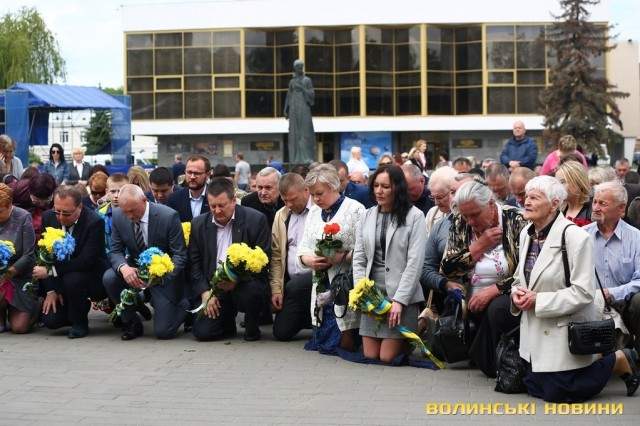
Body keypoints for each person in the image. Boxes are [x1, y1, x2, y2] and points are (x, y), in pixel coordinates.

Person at [511, 175, 639, 402]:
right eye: (526, 197)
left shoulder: (575, 237)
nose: (526, 202)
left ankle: (618, 360)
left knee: (560, 392)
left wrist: (538, 301)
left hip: (565, 325)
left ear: (554, 204)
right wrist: (517, 293)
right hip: (535, 329)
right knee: (533, 386)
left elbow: (583, 293)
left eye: (534, 197)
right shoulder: (526, 233)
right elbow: (519, 278)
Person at [441, 179, 526, 377]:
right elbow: (448, 269)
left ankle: (487, 361)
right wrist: (479, 245)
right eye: (466, 215)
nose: (470, 221)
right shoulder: (459, 221)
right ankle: (487, 356)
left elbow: (525, 272)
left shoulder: (516, 220)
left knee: (497, 308)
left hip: (507, 293)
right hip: (469, 297)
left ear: (490, 204)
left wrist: (495, 290)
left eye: (474, 215)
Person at [352, 165, 426, 362]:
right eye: (375, 185)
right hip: (372, 293)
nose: (379, 191)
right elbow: (359, 258)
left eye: (385, 186)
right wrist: (362, 291)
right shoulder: (366, 215)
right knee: (370, 355)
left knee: (386, 358)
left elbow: (415, 263)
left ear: (398, 188)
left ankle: (413, 328)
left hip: (401, 293)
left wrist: (399, 301)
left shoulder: (415, 216)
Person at [189, 178, 271, 341]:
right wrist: (205, 293)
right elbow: (194, 264)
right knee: (202, 333)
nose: (217, 211)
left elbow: (264, 261)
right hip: (215, 286)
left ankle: (252, 325)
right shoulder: (199, 224)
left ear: (234, 201)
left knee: (253, 291)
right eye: (213, 206)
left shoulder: (255, 220)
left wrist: (236, 281)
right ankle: (226, 322)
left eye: (222, 205)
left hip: (245, 284)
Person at [103, 184, 188, 340]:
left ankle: (183, 305)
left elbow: (180, 256)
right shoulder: (118, 215)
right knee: (110, 278)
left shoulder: (168, 216)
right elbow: (115, 251)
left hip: (163, 275)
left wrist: (160, 276)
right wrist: (124, 268)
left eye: (132, 210)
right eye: (125, 211)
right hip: (135, 268)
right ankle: (132, 322)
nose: (129, 216)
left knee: (164, 332)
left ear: (144, 200)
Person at [298, 164, 364, 351]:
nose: (315, 199)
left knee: (345, 338)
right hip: (320, 281)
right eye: (312, 195)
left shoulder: (355, 210)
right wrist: (308, 260)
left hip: (346, 282)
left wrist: (342, 256)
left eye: (319, 193)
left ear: (334, 187)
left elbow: (365, 250)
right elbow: (303, 248)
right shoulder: (313, 213)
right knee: (324, 343)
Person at [37, 185, 108, 338]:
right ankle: (74, 308)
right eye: (57, 211)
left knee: (73, 279)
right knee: (52, 321)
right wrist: (51, 290)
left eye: (66, 213)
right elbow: (44, 256)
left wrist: (51, 271)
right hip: (60, 277)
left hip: (89, 276)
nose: (61, 217)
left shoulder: (94, 222)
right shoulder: (48, 218)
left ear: (80, 207)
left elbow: (86, 261)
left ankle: (80, 323)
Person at [585, 181, 640, 353]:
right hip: (590, 302)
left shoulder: (636, 238)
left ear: (621, 209)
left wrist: (612, 293)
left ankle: (635, 354)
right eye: (595, 201)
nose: (595, 207)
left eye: (603, 203)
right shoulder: (582, 236)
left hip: (626, 303)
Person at [420, 174, 474, 309]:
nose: (457, 197)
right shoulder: (441, 225)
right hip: (452, 302)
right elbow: (425, 268)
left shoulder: (499, 223)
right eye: (454, 192)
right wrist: (444, 284)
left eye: (466, 192)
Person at [270, 173, 313, 341]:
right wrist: (276, 289)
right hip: (291, 285)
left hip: (315, 279)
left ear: (306, 191)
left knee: (296, 285)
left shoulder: (318, 212)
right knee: (281, 333)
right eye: (285, 200)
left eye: (293, 199)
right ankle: (306, 319)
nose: (289, 204)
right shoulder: (281, 215)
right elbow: (276, 256)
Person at [0, 184, 36, 333]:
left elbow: (29, 254)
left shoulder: (23, 217)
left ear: (10, 206)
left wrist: (8, 273)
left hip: (19, 274)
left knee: (19, 328)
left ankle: (36, 307)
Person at [283, 59, 316, 165]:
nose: (300, 69)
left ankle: (306, 157)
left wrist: (301, 88)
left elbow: (311, 94)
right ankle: (296, 157)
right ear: (295, 68)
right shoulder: (292, 81)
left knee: (305, 132)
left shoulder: (307, 80)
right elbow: (289, 95)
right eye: (298, 67)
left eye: (301, 66)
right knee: (295, 133)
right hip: (294, 108)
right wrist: (285, 109)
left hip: (304, 107)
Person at [12, 173, 57, 242]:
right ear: (30, 192)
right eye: (37, 201)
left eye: (46, 201)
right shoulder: (18, 189)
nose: (41, 204)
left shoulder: (57, 194)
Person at [167, 155, 211, 222]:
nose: (192, 177)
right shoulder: (174, 199)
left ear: (208, 174)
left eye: (197, 173)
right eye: (189, 172)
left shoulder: (216, 198)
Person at [555, 160, 592, 226]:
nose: (558, 187)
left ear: (578, 182)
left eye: (563, 182)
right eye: (557, 183)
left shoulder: (593, 209)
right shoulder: (557, 211)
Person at [98, 173, 128, 252]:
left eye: (120, 191)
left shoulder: (133, 213)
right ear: (107, 192)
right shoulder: (100, 214)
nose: (116, 195)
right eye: (113, 191)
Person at [424, 166, 458, 236]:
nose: (436, 203)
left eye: (439, 197)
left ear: (454, 192)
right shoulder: (432, 214)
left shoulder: (466, 215)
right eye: (433, 197)